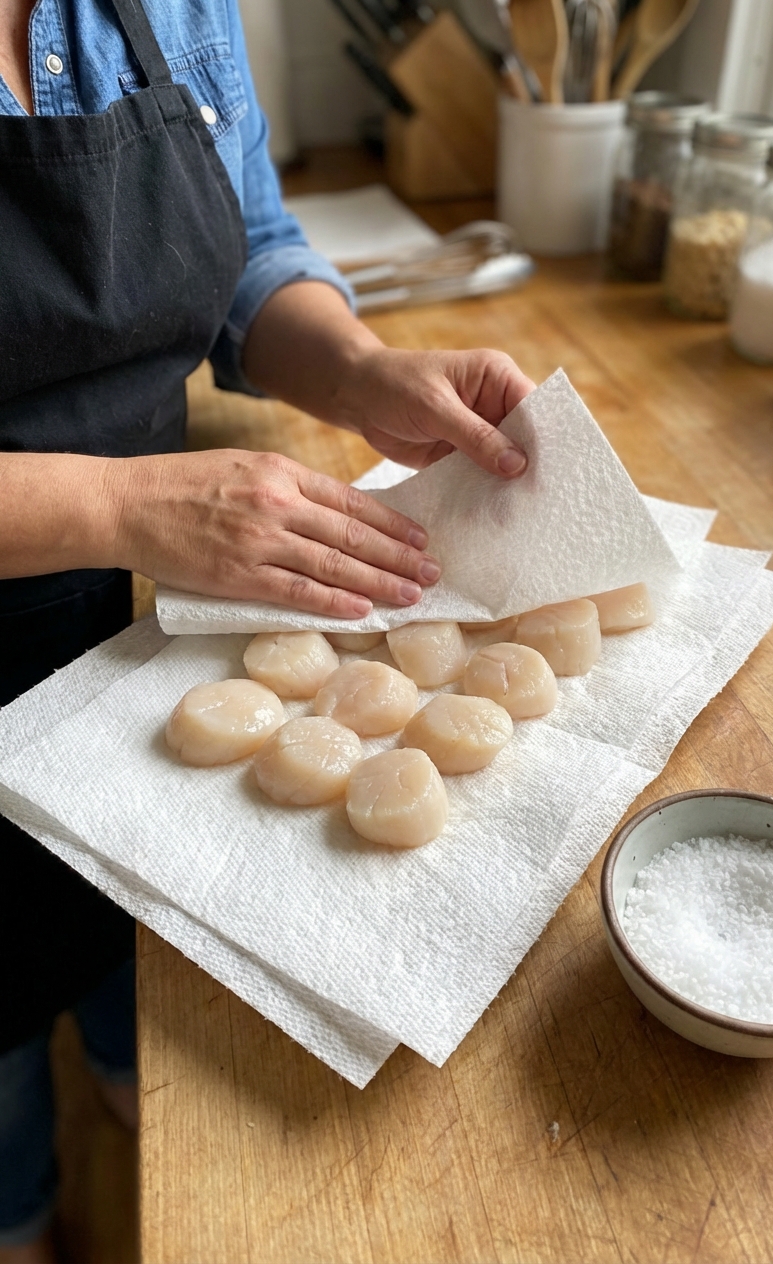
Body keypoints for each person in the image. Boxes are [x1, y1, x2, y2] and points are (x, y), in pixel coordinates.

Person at [0, 0, 533, 1258]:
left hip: (148, 606)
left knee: (152, 981)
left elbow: (240, 246)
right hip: (138, 529)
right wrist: (112, 499)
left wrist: (352, 367)